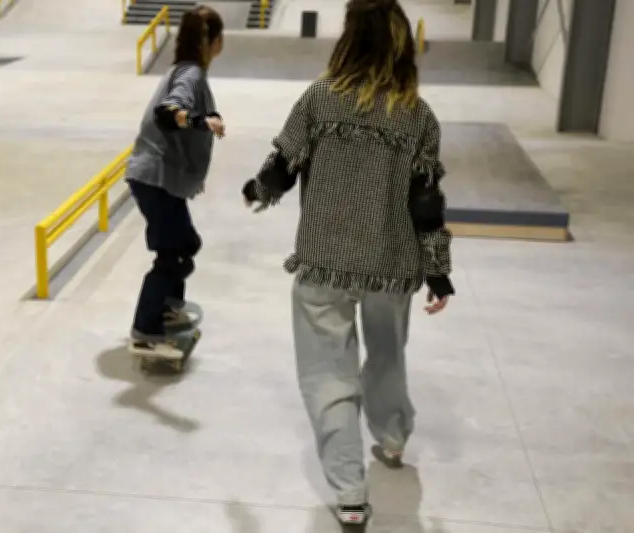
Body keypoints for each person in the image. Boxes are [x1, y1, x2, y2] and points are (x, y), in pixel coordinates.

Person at [241, 0, 454, 525]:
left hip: (324, 260)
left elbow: (282, 164)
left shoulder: (319, 99)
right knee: (387, 353)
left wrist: (257, 191)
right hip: (391, 262)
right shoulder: (417, 115)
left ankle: (351, 494)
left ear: (348, 38)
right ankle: (393, 437)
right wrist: (437, 270)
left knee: (327, 375)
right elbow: (426, 202)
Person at [125, 5, 225, 360]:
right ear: (214, 42)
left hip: (157, 177)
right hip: (155, 177)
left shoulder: (184, 70)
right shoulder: (190, 76)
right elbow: (168, 112)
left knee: (187, 244)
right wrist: (200, 121)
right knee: (173, 255)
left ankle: (168, 307)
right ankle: (146, 330)